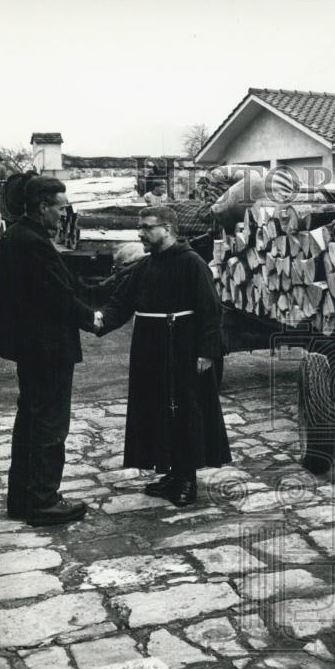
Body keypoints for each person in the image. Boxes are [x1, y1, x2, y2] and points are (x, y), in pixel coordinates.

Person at [94, 205, 231, 507]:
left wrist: (208, 352)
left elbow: (211, 310)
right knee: (156, 409)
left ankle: (187, 479)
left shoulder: (193, 264)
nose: (141, 233)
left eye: (147, 227)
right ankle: (169, 471)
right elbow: (121, 303)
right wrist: (98, 319)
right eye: (140, 227)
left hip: (182, 348)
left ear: (167, 228)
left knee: (184, 411)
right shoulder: (144, 267)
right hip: (149, 351)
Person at [0, 176, 98, 526]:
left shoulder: (15, 237)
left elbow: (57, 283)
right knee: (50, 425)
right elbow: (57, 295)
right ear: (42, 207)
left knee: (31, 420)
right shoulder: (32, 242)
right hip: (48, 347)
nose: (63, 216)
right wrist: (92, 318)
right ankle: (43, 501)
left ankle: (21, 499)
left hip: (31, 347)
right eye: (60, 208)